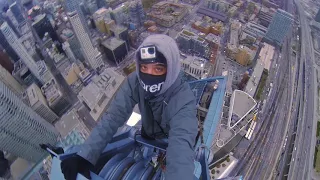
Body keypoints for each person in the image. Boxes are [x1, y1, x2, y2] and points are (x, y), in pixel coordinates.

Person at [61, 34, 198, 180]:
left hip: (169, 140)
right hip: (148, 134)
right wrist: (86, 156)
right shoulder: (135, 82)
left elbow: (180, 147)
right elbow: (113, 116)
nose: (149, 74)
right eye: (144, 67)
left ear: (170, 69)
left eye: (158, 69)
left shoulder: (183, 99)